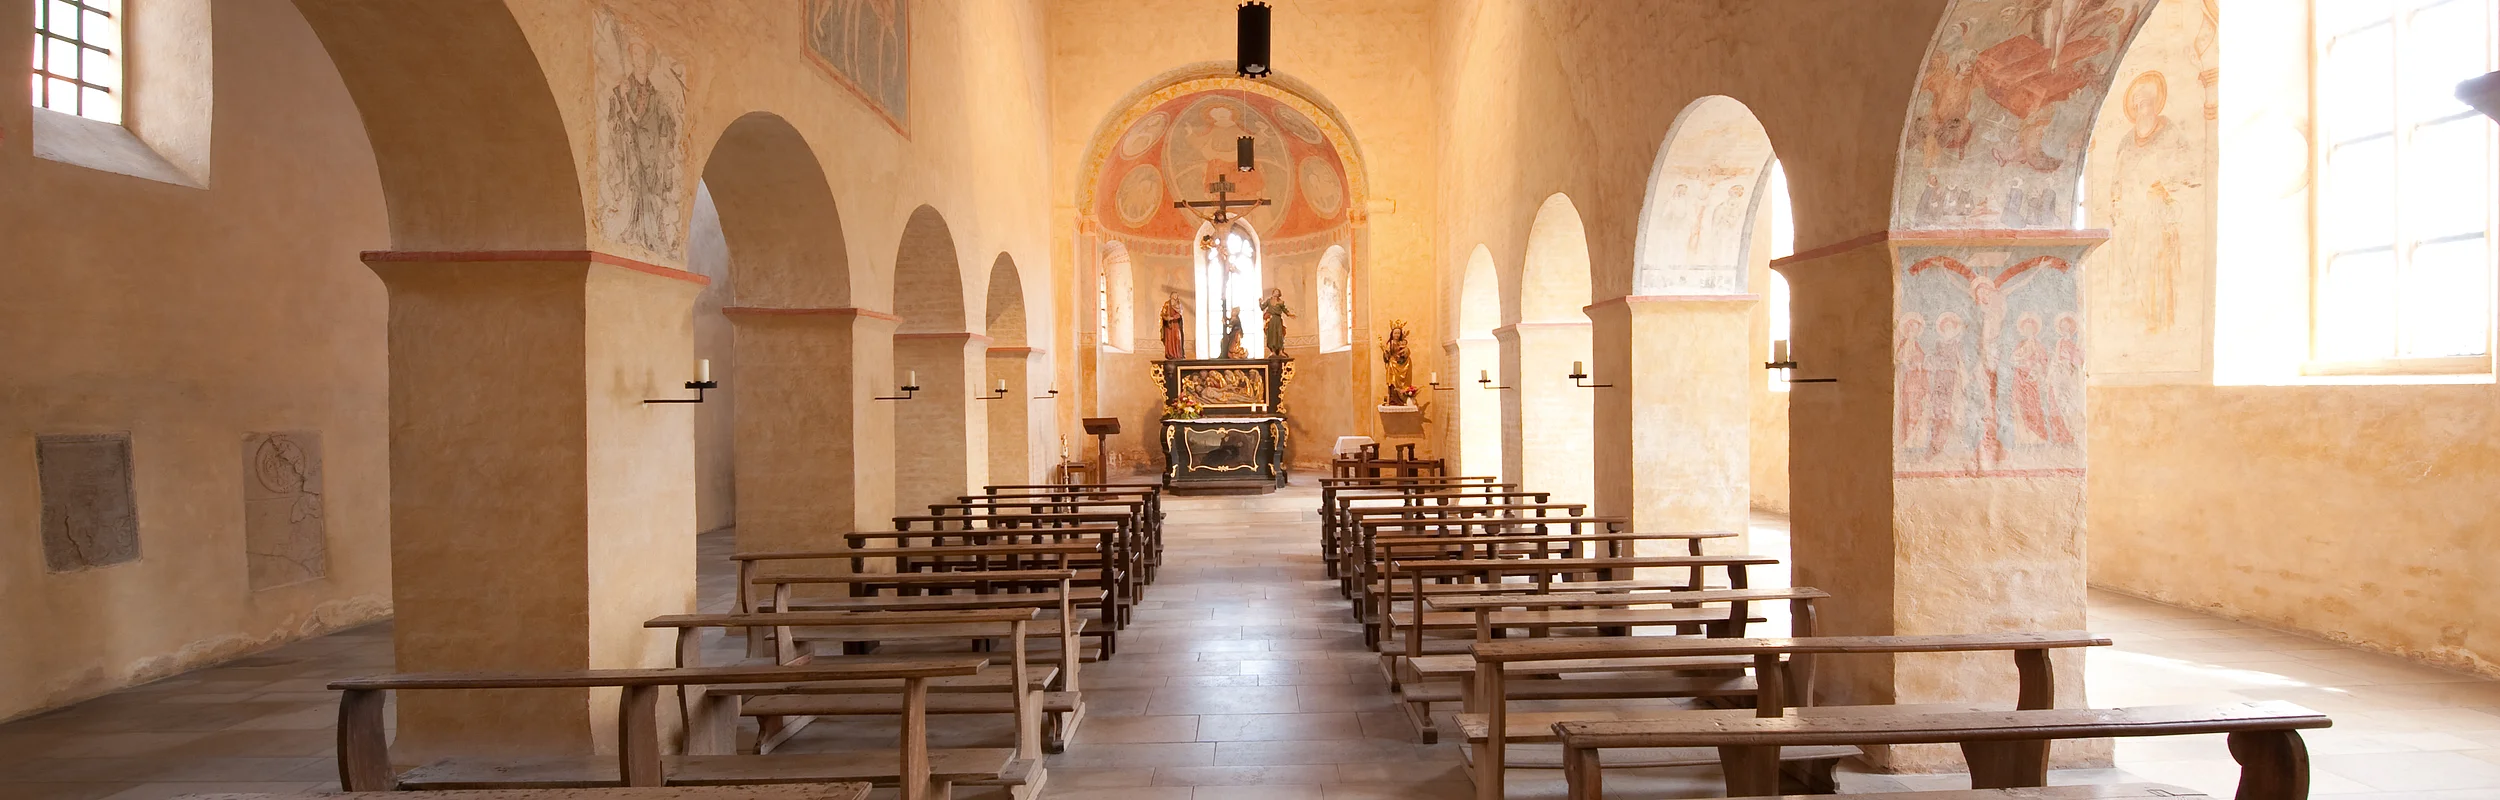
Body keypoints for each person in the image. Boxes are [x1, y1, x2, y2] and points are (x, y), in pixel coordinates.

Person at [1259, 287, 1294, 358]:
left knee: (1279, 335)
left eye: (1278, 292)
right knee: (1271, 335)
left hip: (1278, 320)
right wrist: (1260, 302)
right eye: (1275, 291)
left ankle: (1280, 351)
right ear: (1273, 293)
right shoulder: (1269, 301)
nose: (1276, 293)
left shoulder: (1281, 302)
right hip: (1271, 320)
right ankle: (1273, 351)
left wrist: (1290, 314)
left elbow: (1285, 310)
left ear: (1279, 294)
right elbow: (1262, 307)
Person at [1160, 294, 1186, 360]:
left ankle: (1178, 354)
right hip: (1169, 325)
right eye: (1174, 295)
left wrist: (1173, 317)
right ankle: (1170, 354)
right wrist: (1166, 318)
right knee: (1169, 339)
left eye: (1176, 295)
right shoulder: (1167, 304)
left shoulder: (1178, 304)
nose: (1175, 296)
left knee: (1177, 338)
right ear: (1171, 296)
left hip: (1176, 324)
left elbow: (1180, 314)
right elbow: (1163, 313)